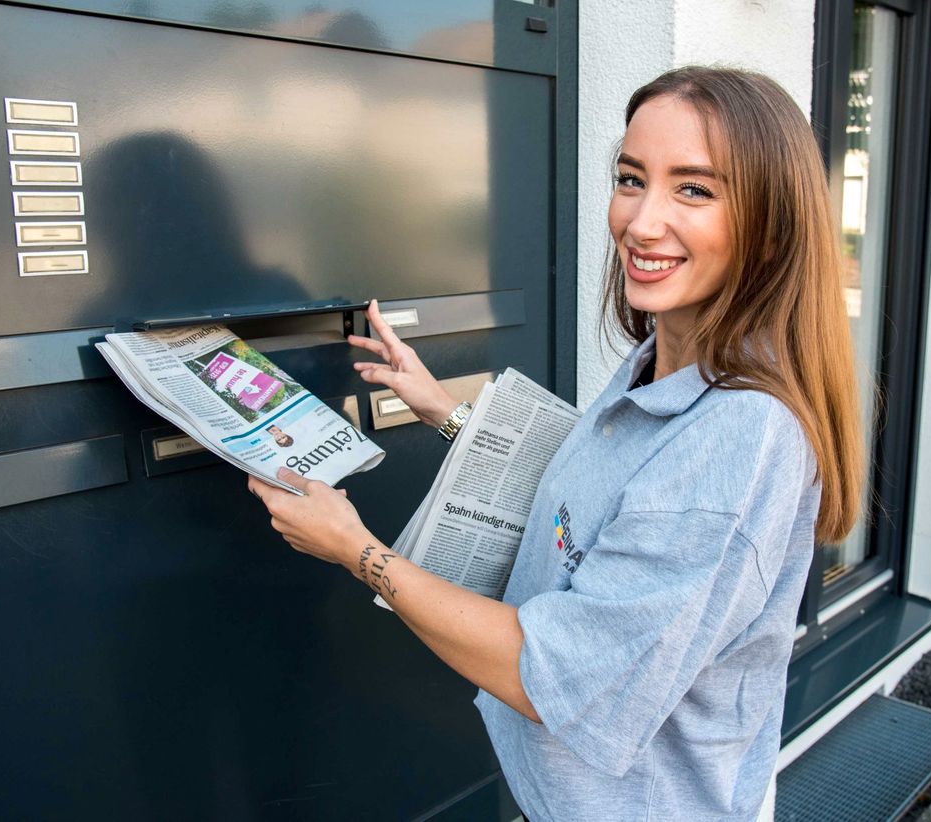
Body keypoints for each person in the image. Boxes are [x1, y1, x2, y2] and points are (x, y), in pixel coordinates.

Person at [247, 66, 862, 820]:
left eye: (694, 189)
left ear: (771, 229)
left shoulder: (741, 434)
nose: (641, 222)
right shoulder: (663, 359)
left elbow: (554, 675)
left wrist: (357, 550)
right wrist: (443, 409)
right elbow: (608, 501)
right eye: (632, 178)